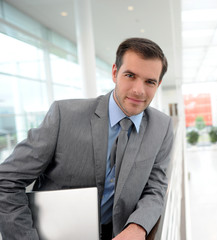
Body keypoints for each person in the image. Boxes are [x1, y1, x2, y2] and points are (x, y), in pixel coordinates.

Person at [0, 37, 174, 240]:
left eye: (149, 81)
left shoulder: (161, 127)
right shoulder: (64, 115)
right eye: (130, 75)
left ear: (158, 84)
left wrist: (138, 226)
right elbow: (6, 180)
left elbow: (156, 188)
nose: (138, 90)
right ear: (115, 73)